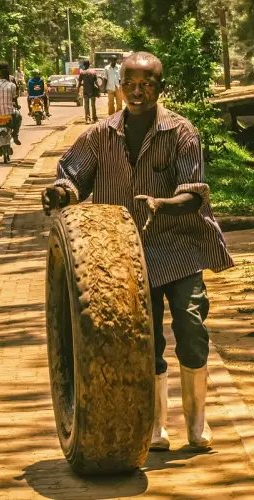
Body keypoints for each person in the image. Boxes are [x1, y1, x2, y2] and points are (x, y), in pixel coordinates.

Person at [41, 52, 234, 452]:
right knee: (141, 341)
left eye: (146, 84)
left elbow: (194, 193)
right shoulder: (99, 135)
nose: (137, 91)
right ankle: (156, 426)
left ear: (160, 87)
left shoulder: (181, 132)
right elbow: (74, 176)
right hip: (121, 257)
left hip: (179, 247)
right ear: (119, 86)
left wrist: (164, 203)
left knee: (191, 328)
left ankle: (197, 423)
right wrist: (60, 191)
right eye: (130, 83)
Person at [0, 63, 22, 152]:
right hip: (10, 112)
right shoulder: (12, 85)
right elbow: (14, 98)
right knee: (19, 117)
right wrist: (17, 106)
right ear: (8, 76)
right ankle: (15, 136)